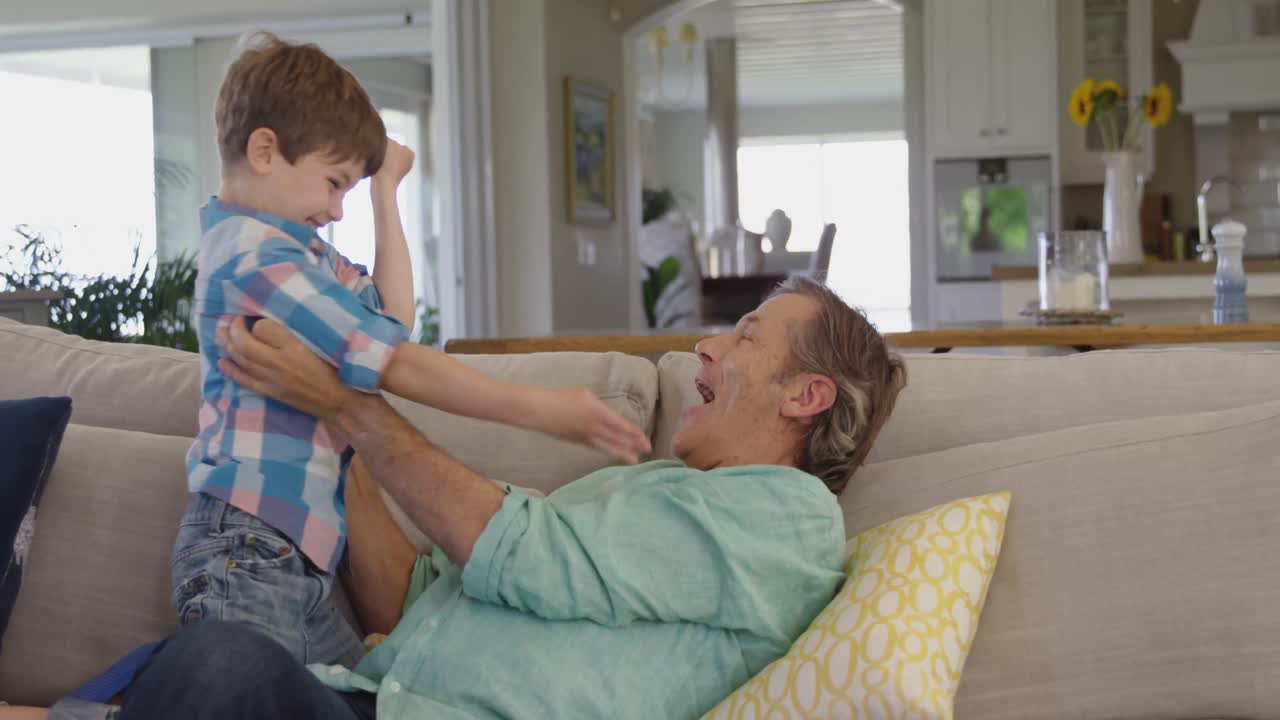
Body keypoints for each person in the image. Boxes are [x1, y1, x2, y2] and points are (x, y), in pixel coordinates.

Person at [17, 277, 905, 720]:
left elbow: (525, 553)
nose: (707, 351)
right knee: (221, 659)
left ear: (806, 397)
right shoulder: (651, 488)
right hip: (369, 697)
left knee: (224, 669)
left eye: (745, 336)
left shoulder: (785, 520)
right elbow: (413, 602)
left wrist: (352, 406)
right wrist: (335, 430)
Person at [171, 31, 652, 678]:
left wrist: (383, 193)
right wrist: (544, 410)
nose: (335, 208)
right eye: (332, 183)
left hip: (295, 551)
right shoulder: (254, 258)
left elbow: (392, 322)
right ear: (265, 150)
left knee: (366, 699)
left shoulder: (296, 258)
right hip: (248, 547)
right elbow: (393, 360)